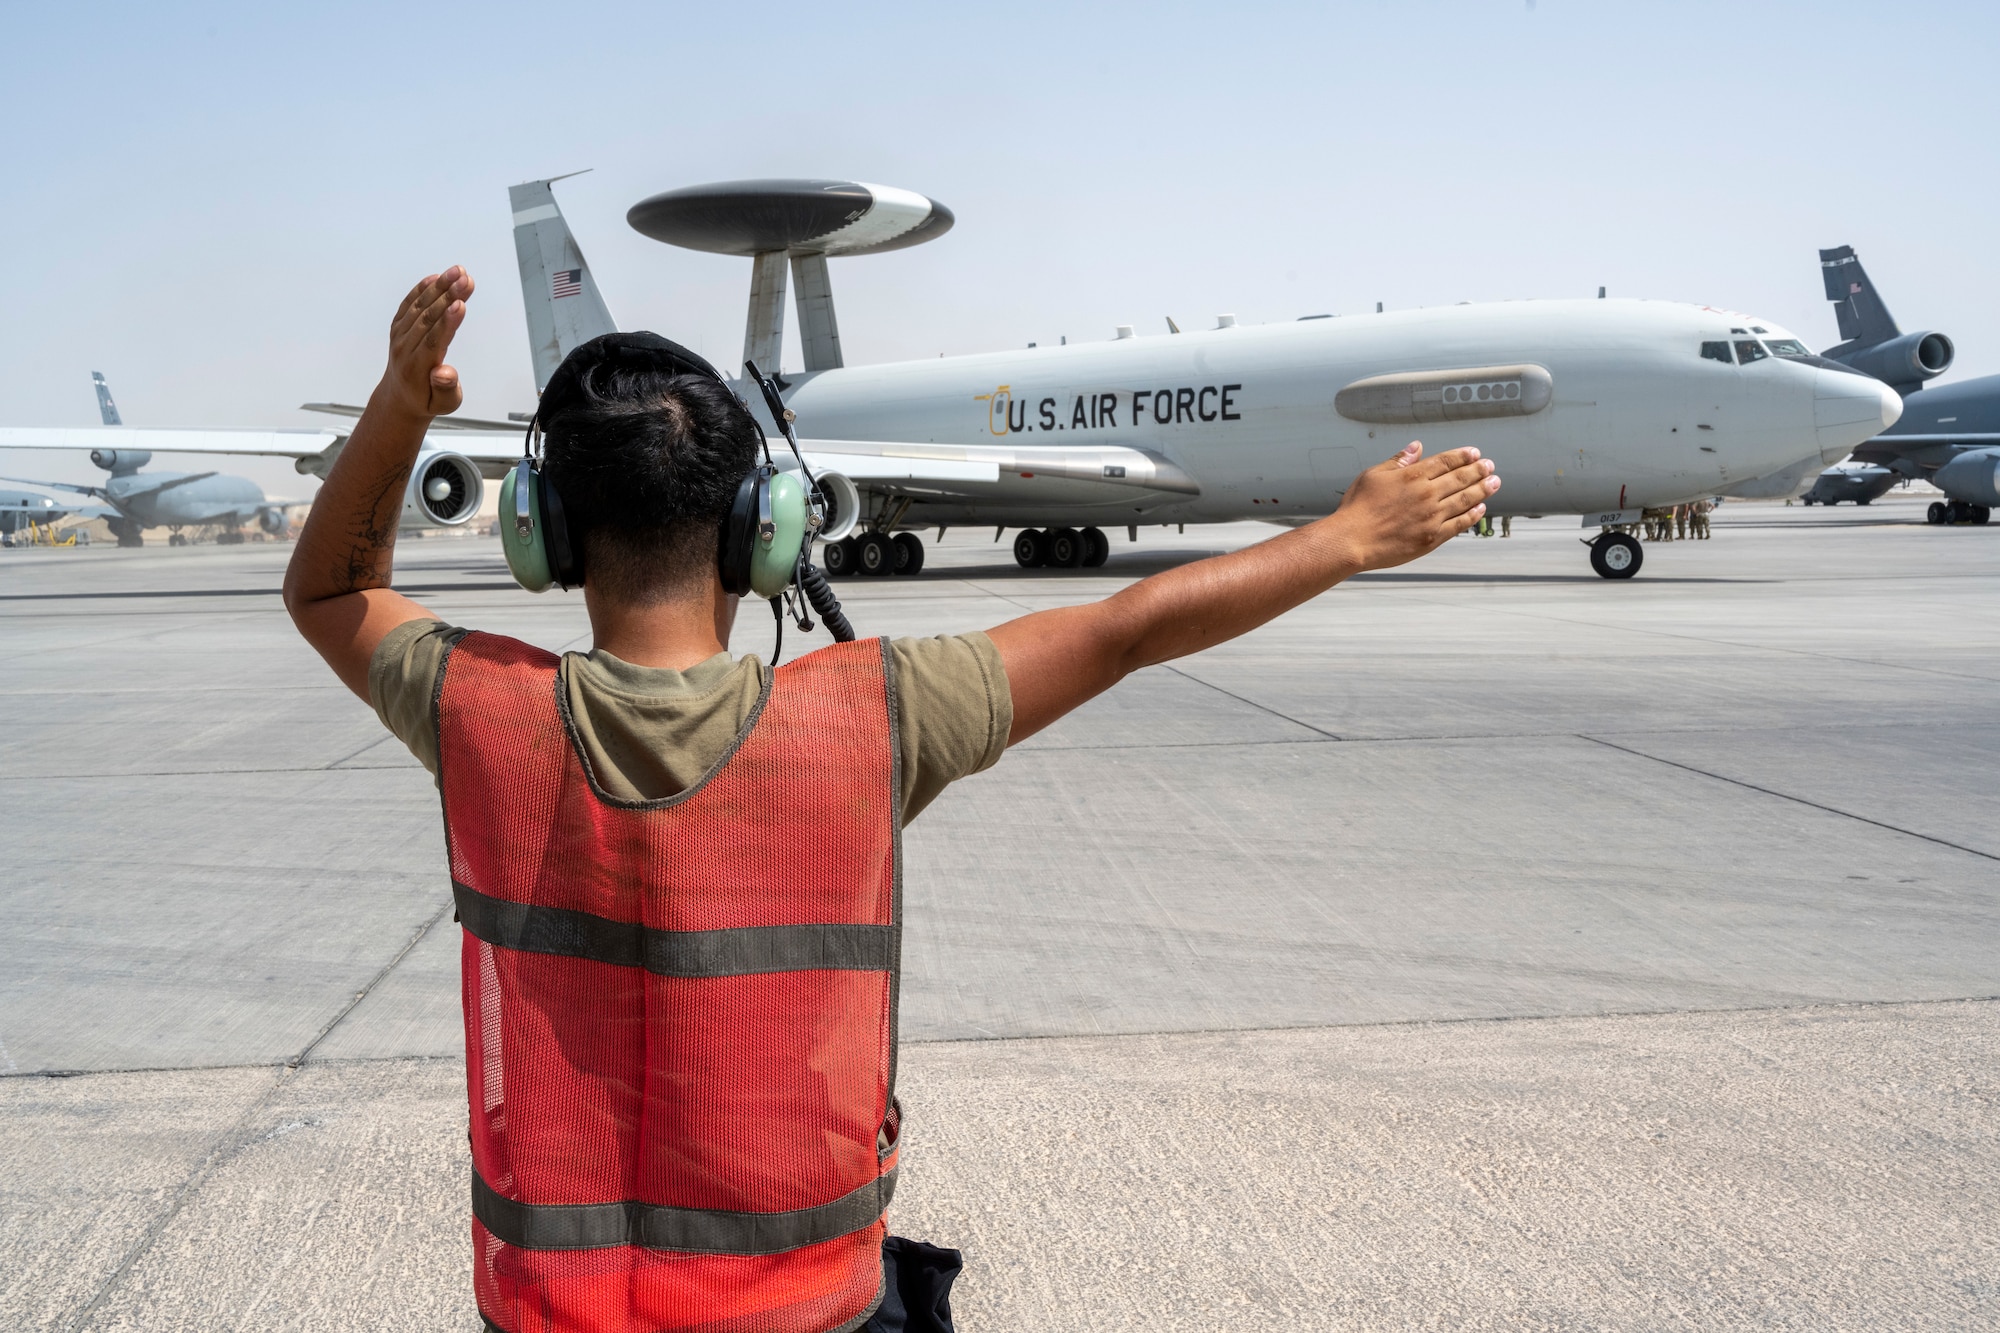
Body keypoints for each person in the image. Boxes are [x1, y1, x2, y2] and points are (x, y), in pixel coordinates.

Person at [282, 269, 1500, 1333]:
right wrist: (1345, 537)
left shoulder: (477, 711)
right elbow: (1128, 628)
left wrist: (398, 408)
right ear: (766, 531)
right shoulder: (872, 714)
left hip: (551, 1307)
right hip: (806, 1302)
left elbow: (331, 592)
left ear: (543, 535)